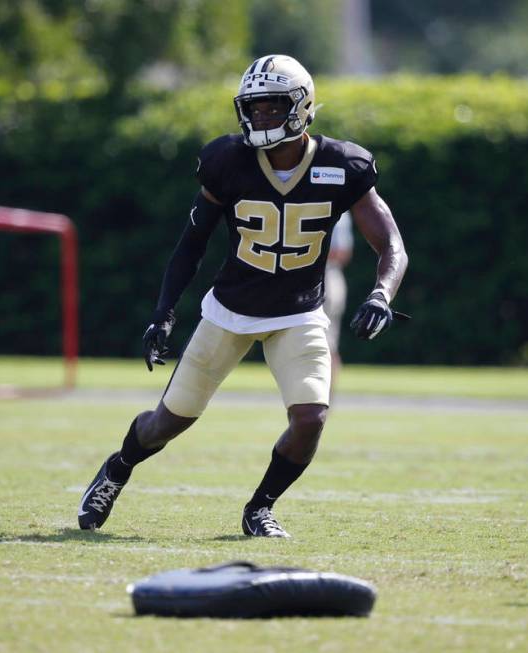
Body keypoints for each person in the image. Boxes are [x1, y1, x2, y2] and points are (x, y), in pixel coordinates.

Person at [78, 54, 408, 538]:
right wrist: (163, 313)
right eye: (255, 108)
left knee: (311, 418)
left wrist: (380, 294)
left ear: (302, 107)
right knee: (166, 425)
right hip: (229, 312)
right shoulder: (227, 161)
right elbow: (191, 243)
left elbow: (392, 244)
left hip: (300, 313)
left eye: (275, 107)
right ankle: (118, 468)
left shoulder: (344, 164)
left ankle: (260, 508)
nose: (262, 118)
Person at [323, 211, 353, 377]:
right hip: (327, 276)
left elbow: (341, 253)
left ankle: (323, 400)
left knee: (326, 345)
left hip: (326, 275)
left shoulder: (339, 210)